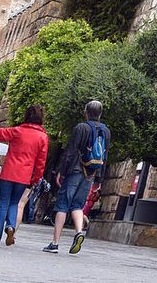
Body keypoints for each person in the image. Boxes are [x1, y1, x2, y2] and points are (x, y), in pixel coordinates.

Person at [0, 105, 48, 248]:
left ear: (26, 116)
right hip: (24, 176)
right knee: (14, 203)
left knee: (3, 203)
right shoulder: (43, 137)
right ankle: (10, 227)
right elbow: (41, 162)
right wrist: (35, 179)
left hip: (8, 173)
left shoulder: (17, 131)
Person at [44, 98, 109, 254]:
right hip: (91, 173)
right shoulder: (106, 131)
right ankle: (79, 232)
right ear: (100, 114)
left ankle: (55, 242)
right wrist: (99, 178)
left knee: (63, 204)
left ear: (86, 112)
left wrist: (61, 171)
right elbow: (105, 155)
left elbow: (71, 151)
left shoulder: (81, 128)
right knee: (78, 205)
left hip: (75, 170)